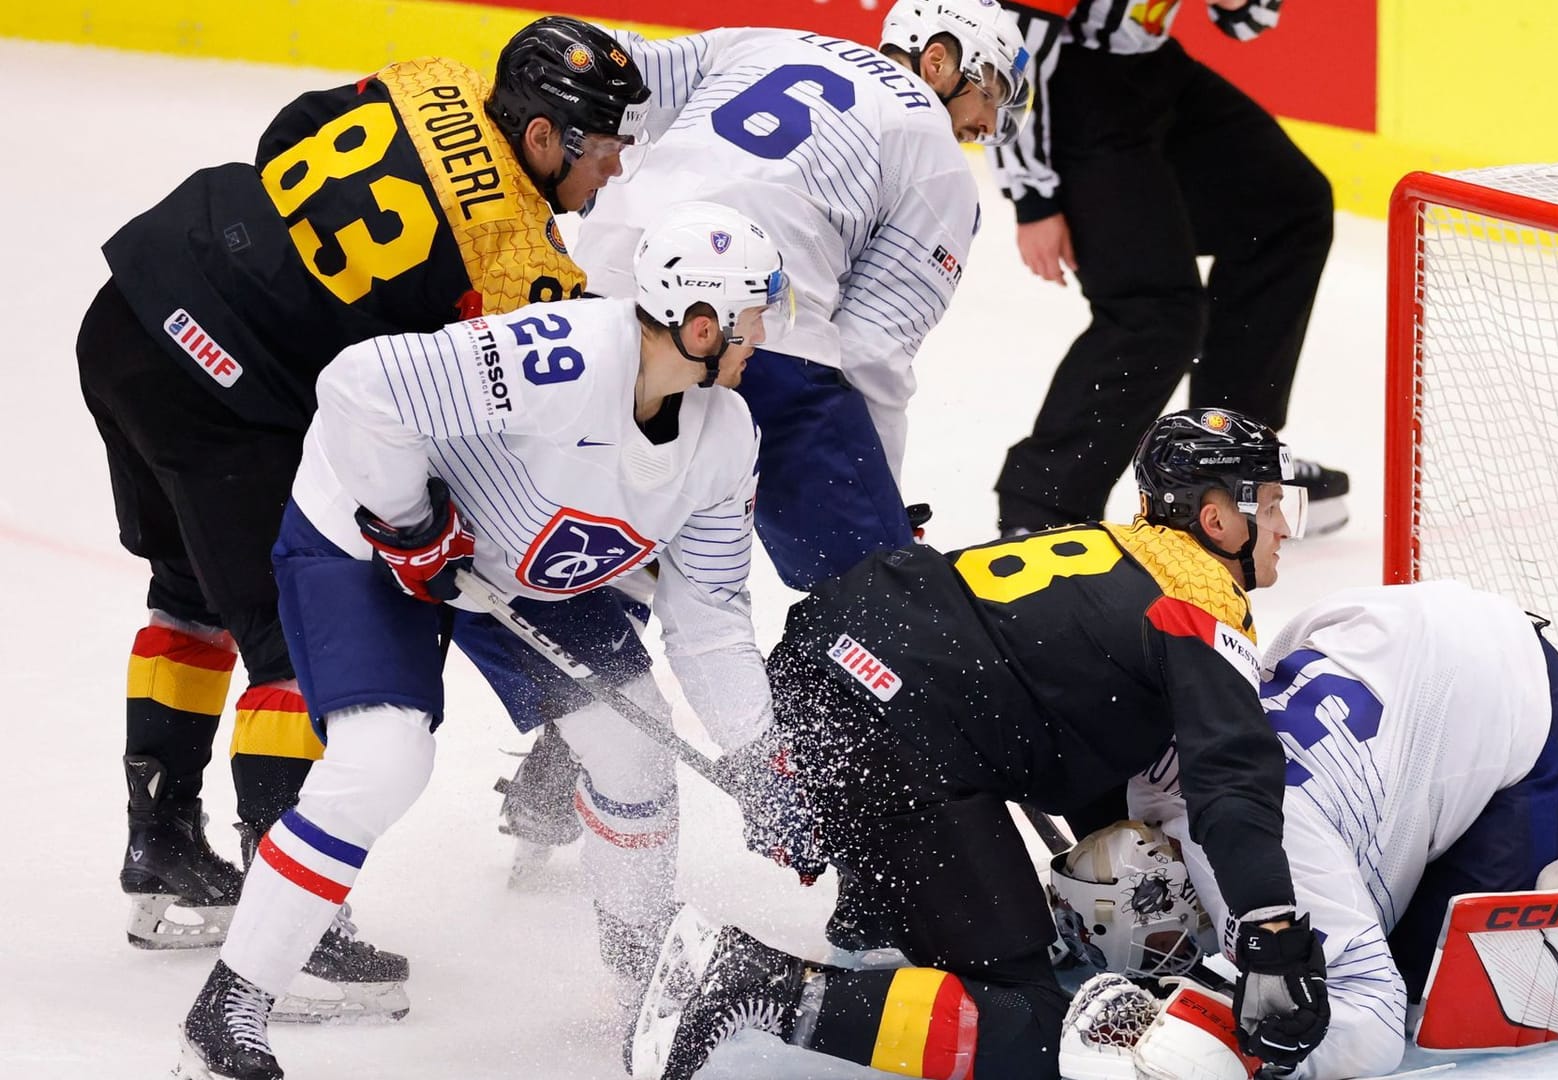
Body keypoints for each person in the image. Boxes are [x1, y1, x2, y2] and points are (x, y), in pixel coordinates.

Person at [76, 13, 650, 1010]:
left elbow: (287, 135)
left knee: (189, 595)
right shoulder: (516, 265)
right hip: (223, 384)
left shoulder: (433, 82)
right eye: (602, 150)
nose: (612, 174)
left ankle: (162, 843)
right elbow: (483, 425)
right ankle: (287, 926)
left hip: (134, 303)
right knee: (294, 645)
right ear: (547, 137)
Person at [174, 201, 810, 1080]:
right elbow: (362, 386)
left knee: (632, 753)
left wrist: (755, 750)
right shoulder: (566, 356)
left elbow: (707, 614)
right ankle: (230, 1007)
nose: (761, 337)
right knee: (385, 758)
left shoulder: (724, 436)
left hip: (522, 569)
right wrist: (407, 519)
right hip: (375, 536)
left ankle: (639, 998)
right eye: (750, 319)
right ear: (699, 325)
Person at [627, 407, 1329, 1080]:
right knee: (1029, 1028)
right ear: (1216, 519)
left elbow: (1087, 737)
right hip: (897, 736)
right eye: (1270, 507)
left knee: (911, 922)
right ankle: (751, 983)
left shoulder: (1115, 552)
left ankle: (876, 936)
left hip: (827, 674)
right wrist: (1271, 937)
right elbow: (1233, 778)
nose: (1282, 530)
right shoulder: (1198, 600)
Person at [1053, 582, 1558, 1078]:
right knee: (1346, 931)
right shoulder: (1147, 779)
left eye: (1162, 944)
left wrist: (1244, 1052)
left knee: (1433, 997)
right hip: (1393, 629)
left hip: (1514, 682)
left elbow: (1373, 1026)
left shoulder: (1276, 866)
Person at [576, 0, 1032, 590]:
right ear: (939, 61)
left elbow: (601, 68)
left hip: (598, 299)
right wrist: (879, 506)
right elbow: (873, 353)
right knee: (876, 594)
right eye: (991, 95)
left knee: (578, 536)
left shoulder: (764, 42)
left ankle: (591, 676)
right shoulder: (938, 159)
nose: (990, 125)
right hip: (758, 345)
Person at [988, 0, 1348, 537]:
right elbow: (1014, 43)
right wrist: (1033, 197)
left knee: (1288, 209)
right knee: (1156, 309)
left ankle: (1227, 465)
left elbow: (1249, 22)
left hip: (1153, 73)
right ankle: (1042, 511)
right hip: (1071, 88)